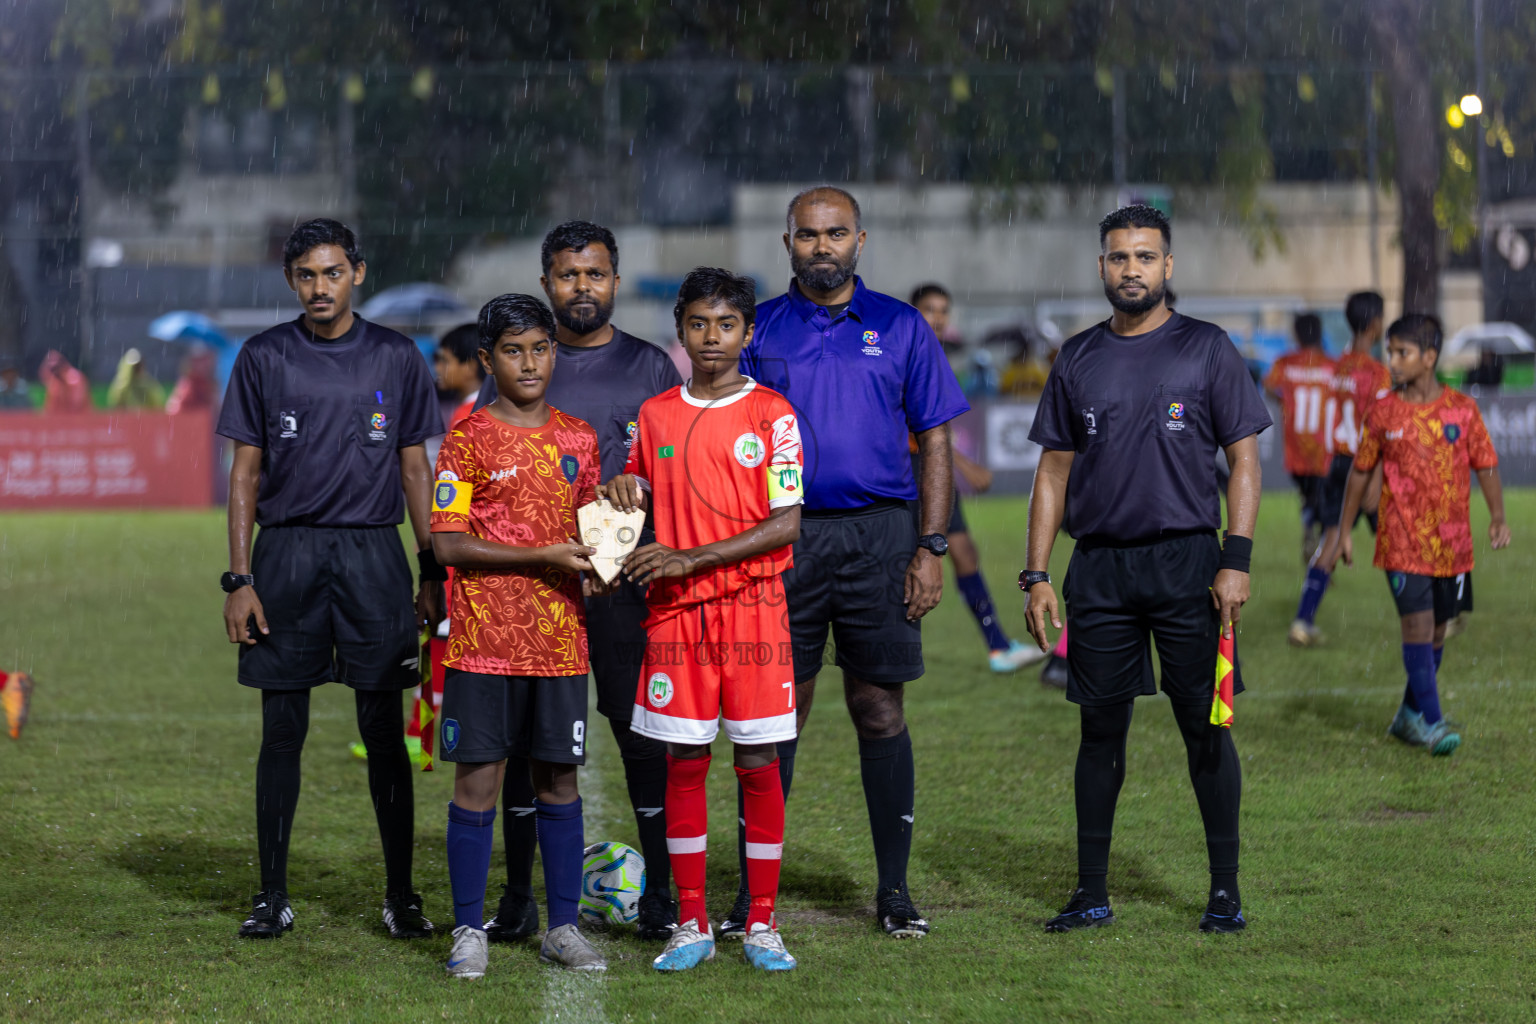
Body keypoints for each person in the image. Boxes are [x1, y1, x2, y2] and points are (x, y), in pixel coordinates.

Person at [1023, 204, 1271, 934]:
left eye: (1145, 257)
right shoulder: (1077, 358)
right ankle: (1091, 891)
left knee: (1206, 727)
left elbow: (1246, 461)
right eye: (1119, 257)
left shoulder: (1207, 349)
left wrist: (1236, 558)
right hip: (1098, 569)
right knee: (1099, 732)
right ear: (1102, 267)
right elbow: (1052, 474)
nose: (1132, 269)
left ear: (1169, 267)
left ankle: (1224, 890)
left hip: (1190, 564)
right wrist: (1036, 574)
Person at [737, 186, 969, 939]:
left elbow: (934, 439)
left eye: (836, 233)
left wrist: (932, 547)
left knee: (879, 708)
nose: (822, 246)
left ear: (860, 240)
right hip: (784, 539)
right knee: (778, 718)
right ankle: (754, 897)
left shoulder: (901, 327)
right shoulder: (758, 330)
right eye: (808, 235)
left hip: (881, 536)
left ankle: (894, 891)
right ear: (788, 244)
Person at [215, 218, 444, 941]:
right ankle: (271, 894)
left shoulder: (398, 356)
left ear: (358, 273)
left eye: (333, 273)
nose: (321, 287)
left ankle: (401, 897)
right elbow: (244, 474)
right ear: (292, 280)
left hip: (374, 555)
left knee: (384, 731)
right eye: (308, 275)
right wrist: (238, 579)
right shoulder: (262, 356)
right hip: (285, 557)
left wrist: (432, 566)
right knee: (282, 730)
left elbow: (415, 469)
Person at [471, 221, 684, 942]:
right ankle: (519, 900)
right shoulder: (524, 362)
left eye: (595, 275)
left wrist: (641, 491)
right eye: (568, 275)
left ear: (615, 281)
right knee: (529, 748)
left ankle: (662, 895)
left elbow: (676, 472)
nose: (582, 288)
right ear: (546, 284)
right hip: (534, 595)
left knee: (640, 736)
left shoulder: (652, 367)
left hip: (625, 593)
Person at [606, 267, 803, 972]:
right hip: (676, 620)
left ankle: (761, 923)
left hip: (754, 612)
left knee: (757, 759)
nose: (711, 338)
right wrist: (623, 488)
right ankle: (691, 922)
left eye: (726, 325)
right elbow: (626, 511)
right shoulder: (655, 414)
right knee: (684, 761)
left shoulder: (773, 414)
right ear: (681, 329)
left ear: (747, 333)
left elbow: (786, 523)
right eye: (698, 324)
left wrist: (694, 557)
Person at [430, 293, 607, 978]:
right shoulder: (467, 439)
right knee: (477, 782)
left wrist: (606, 556)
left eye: (540, 348)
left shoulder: (579, 437)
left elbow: (589, 536)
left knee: (559, 782)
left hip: (561, 645)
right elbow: (448, 544)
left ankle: (563, 927)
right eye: (513, 350)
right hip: (483, 643)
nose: (529, 363)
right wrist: (545, 557)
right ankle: (469, 930)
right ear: (486, 359)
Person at [1338, 314, 1509, 757]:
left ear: (1429, 357)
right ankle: (1432, 724)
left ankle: (1407, 717)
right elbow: (1359, 475)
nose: (1391, 361)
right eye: (1389, 352)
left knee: (1436, 634)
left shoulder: (1462, 409)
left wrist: (1497, 516)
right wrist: (1344, 531)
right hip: (1401, 543)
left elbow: (1485, 463)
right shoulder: (1382, 412)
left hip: (1452, 546)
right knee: (1415, 627)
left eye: (1402, 353)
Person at [908, 284, 1043, 673]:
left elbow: (938, 428)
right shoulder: (907, 355)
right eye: (928, 309)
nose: (937, 317)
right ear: (913, 313)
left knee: (963, 553)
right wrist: (966, 467)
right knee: (913, 561)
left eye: (943, 310)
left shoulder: (935, 358)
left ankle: (998, 646)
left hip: (931, 469)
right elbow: (919, 430)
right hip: (912, 471)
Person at [1288, 292, 1390, 646]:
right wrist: (1376, 477)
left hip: (1337, 464)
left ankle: (1303, 619)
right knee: (1393, 541)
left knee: (1332, 538)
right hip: (1364, 466)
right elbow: (1378, 429)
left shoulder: (1338, 367)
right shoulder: (1376, 373)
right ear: (1376, 324)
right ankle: (1421, 613)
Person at [1264, 314, 1337, 562]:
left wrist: (1285, 400)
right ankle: (1321, 546)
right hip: (1324, 446)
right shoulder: (1331, 366)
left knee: (1308, 496)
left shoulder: (1285, 363)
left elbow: (1268, 385)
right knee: (1325, 498)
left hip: (1297, 445)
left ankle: (1310, 527)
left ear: (1297, 334)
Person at [435, 323, 485, 430]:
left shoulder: (467, 417)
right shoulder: (495, 408)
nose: (438, 368)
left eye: (445, 361)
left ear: (470, 368)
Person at [165, 344, 218, 415]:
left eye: (206, 360)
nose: (204, 365)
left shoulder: (210, 383)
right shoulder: (188, 384)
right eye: (200, 361)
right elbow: (176, 409)